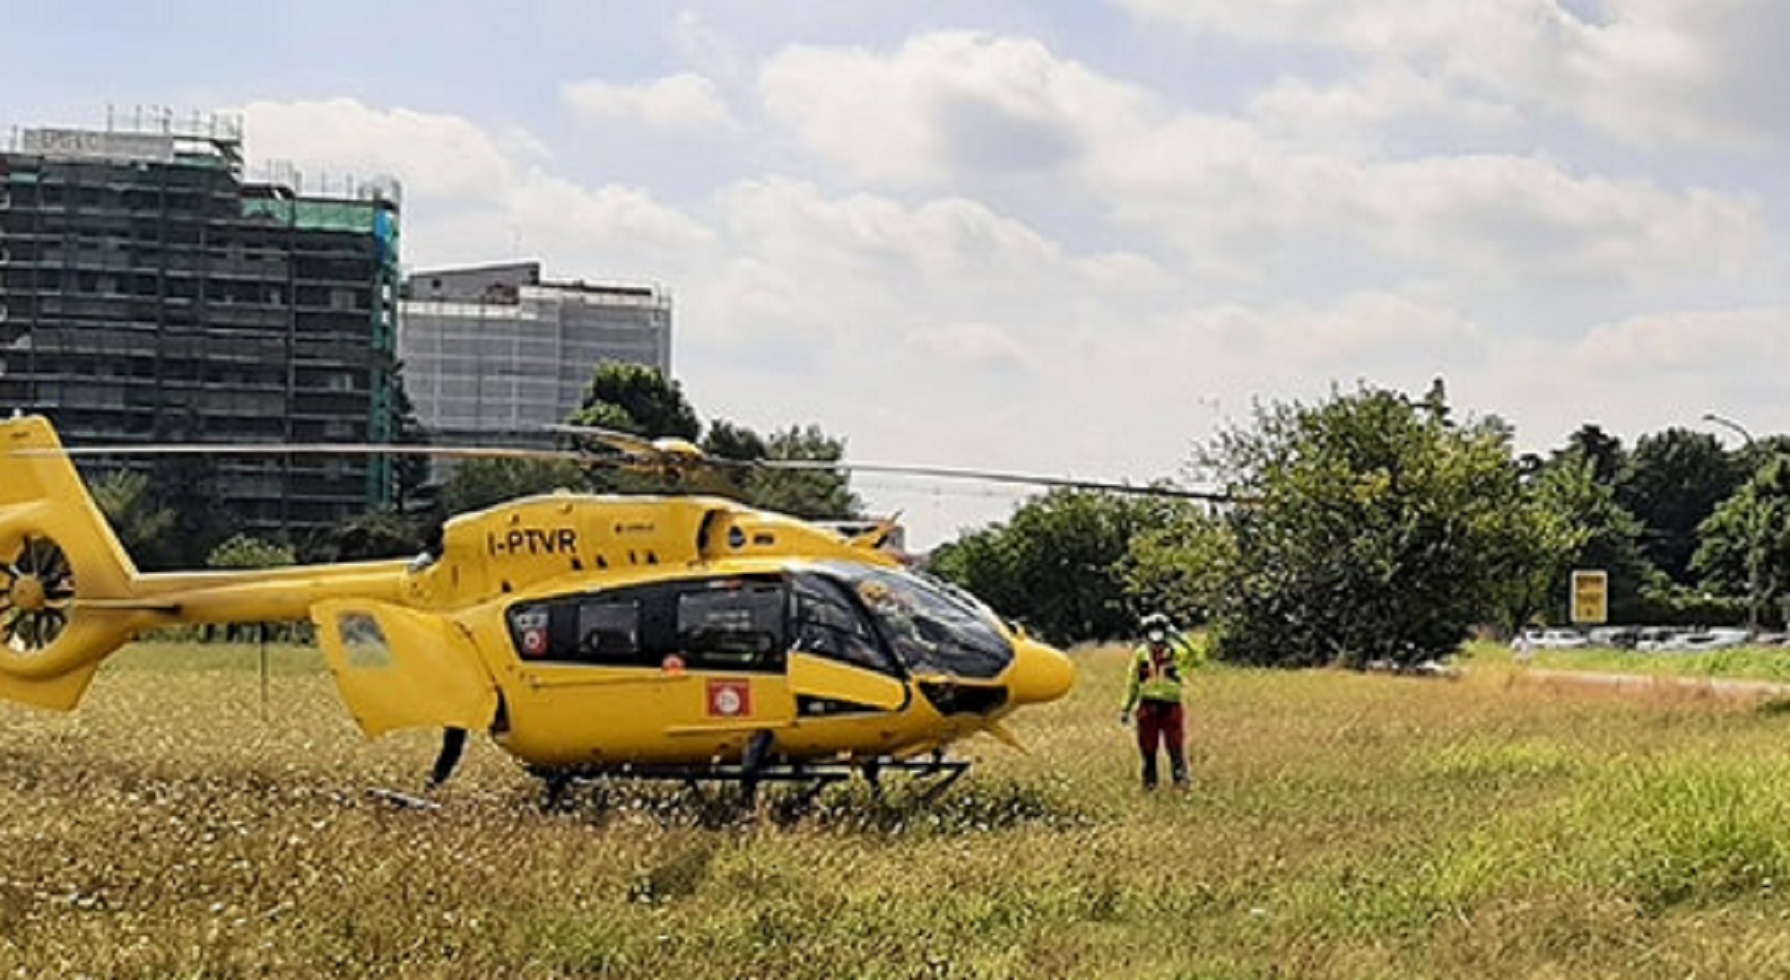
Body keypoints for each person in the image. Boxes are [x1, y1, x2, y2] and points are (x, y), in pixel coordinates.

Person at [1120, 616, 1201, 790]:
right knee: (1148, 747)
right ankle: (1149, 784)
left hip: (1171, 706)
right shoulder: (1141, 654)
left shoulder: (1177, 652)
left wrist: (1180, 637)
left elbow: (1197, 657)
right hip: (1147, 706)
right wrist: (1126, 708)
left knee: (1175, 745)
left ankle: (1181, 783)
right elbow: (1133, 681)